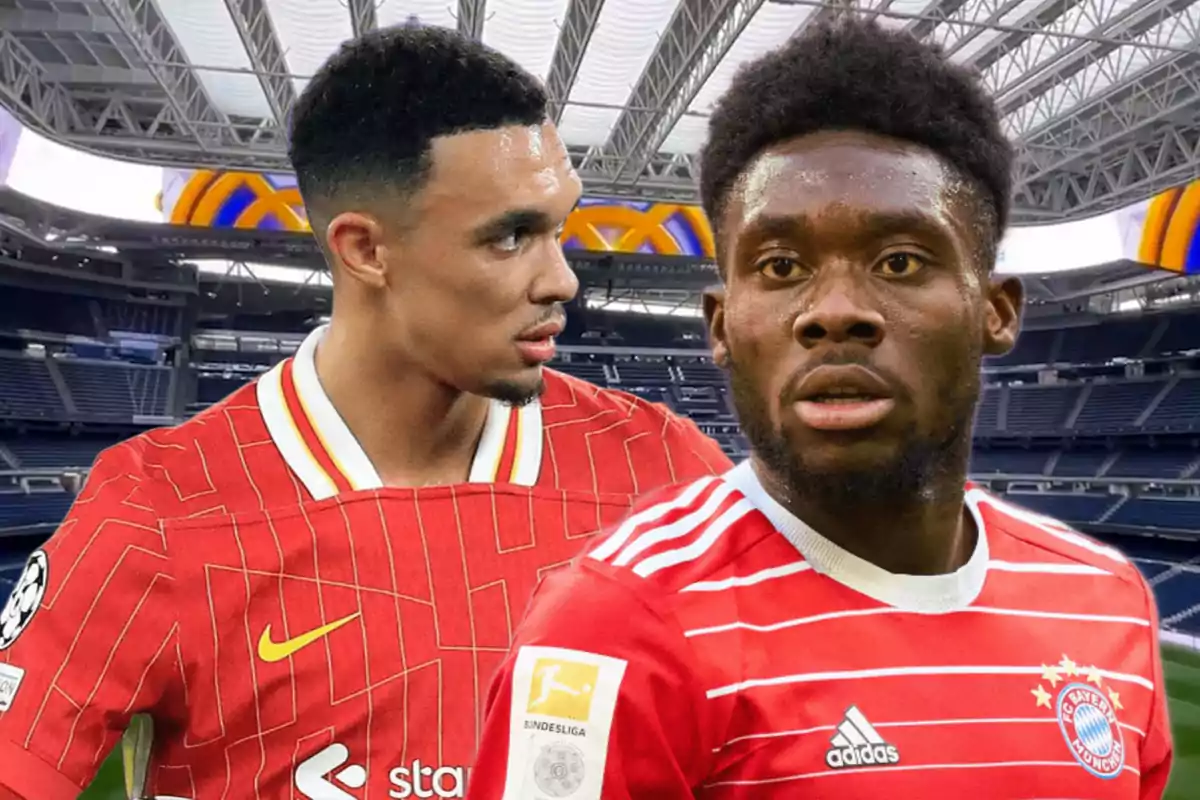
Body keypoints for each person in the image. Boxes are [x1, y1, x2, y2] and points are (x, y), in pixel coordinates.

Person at [0, 26, 729, 800]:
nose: (562, 281)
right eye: (512, 236)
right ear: (366, 250)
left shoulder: (665, 472)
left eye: (560, 229)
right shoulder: (159, 509)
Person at [468, 18, 1173, 800]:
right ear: (722, 327)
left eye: (901, 260)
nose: (834, 310)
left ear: (996, 312)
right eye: (780, 265)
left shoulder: (1109, 601)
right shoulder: (612, 631)